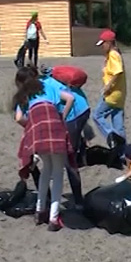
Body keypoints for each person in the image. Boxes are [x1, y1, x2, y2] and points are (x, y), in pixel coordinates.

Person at [13, 66, 76, 231]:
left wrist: (31, 126)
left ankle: (40, 211)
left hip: (38, 130)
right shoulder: (47, 84)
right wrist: (62, 117)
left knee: (46, 169)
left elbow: (18, 118)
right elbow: (70, 98)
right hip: (54, 124)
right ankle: (54, 218)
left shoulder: (22, 95)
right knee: (57, 172)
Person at [40, 72, 90, 209]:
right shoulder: (50, 79)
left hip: (75, 114)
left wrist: (62, 118)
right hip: (84, 108)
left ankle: (79, 201)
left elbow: (70, 98)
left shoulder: (43, 86)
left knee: (69, 158)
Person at [93, 29, 127, 143]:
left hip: (112, 94)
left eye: (103, 44)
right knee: (118, 125)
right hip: (120, 95)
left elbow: (118, 71)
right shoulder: (114, 55)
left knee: (97, 115)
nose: (102, 47)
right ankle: (122, 153)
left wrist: (108, 86)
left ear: (109, 43)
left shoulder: (113, 55)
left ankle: (111, 136)